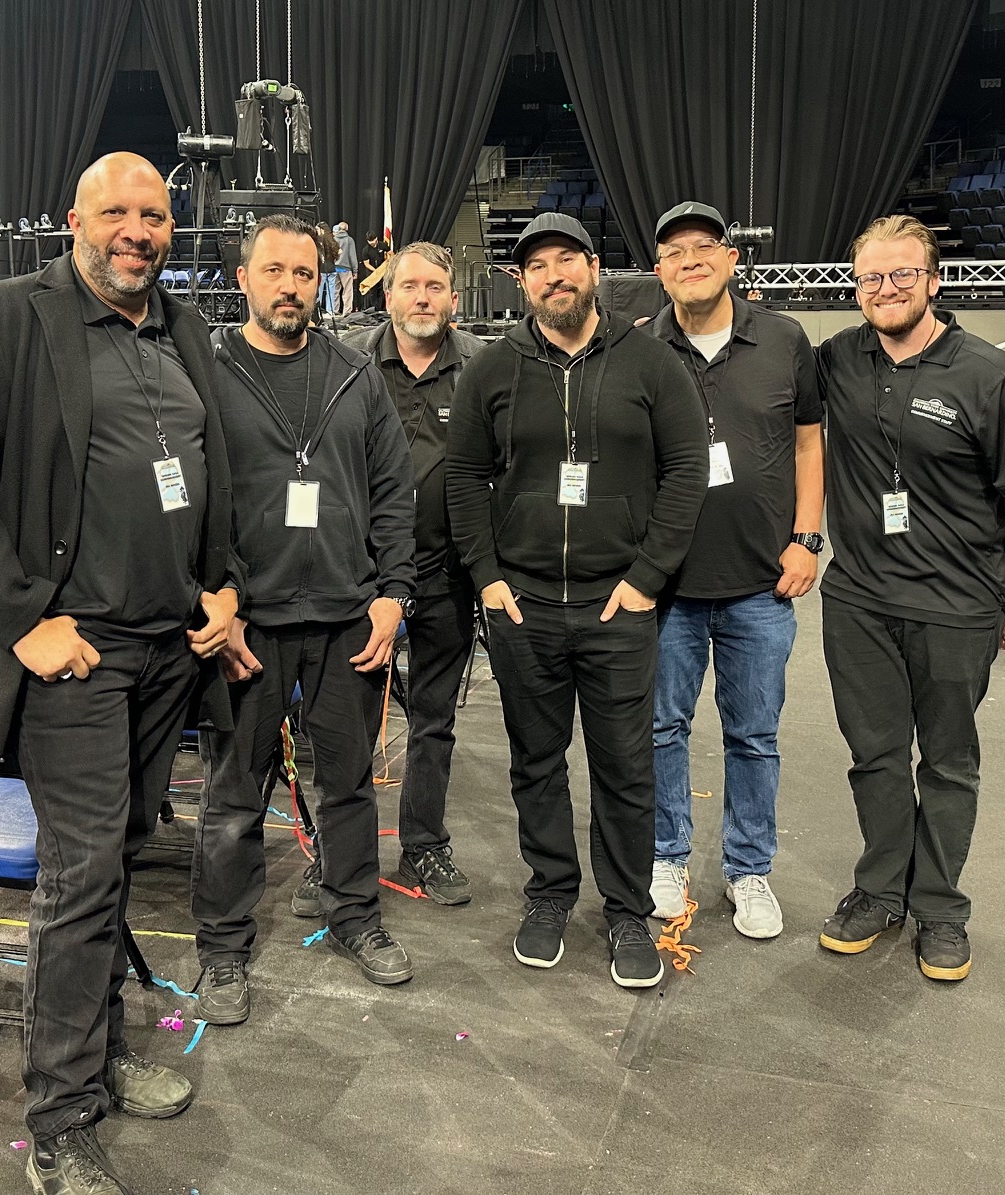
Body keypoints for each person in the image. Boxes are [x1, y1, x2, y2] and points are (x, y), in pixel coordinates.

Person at [0, 152, 240, 1195]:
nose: (138, 229)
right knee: (82, 870)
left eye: (155, 214)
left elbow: (207, 475)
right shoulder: (6, 317)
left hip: (165, 651)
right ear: (76, 220)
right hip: (77, 655)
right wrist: (25, 621)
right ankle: (58, 1117)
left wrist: (218, 585)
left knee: (121, 852)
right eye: (119, 212)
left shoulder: (182, 330)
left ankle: (96, 1056)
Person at [446, 212, 707, 990]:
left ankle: (626, 910)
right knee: (536, 761)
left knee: (626, 766)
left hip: (617, 607)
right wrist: (487, 578)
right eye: (537, 266)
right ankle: (551, 892)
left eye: (567, 260)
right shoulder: (492, 369)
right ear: (520, 282)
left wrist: (646, 578)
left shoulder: (651, 363)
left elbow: (685, 472)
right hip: (523, 605)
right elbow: (463, 476)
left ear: (593, 268)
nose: (554, 275)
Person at [815, 215, 1005, 982]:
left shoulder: (992, 377)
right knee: (875, 757)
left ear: (931, 279)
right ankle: (879, 891)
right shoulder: (833, 361)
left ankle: (942, 910)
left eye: (900, 275)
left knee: (949, 762)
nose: (884, 290)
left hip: (956, 606)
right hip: (857, 601)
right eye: (868, 279)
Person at [191, 213, 418, 1021]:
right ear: (244, 278)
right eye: (275, 270)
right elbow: (190, 507)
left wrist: (393, 595)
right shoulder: (208, 375)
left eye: (304, 272)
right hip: (246, 631)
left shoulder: (356, 375)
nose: (291, 285)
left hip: (346, 621)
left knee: (349, 785)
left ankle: (355, 914)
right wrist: (216, 606)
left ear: (323, 280)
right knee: (232, 798)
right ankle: (222, 951)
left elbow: (394, 493)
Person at [645, 202, 825, 939]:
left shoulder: (784, 339)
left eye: (703, 247)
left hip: (760, 583)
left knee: (753, 735)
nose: (689, 260)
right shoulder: (641, 349)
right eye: (673, 252)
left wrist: (807, 537)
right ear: (658, 271)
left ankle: (748, 871)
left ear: (730, 259)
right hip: (668, 589)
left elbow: (810, 444)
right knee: (660, 728)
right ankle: (665, 856)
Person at [343, 243, 484, 904]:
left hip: (448, 577)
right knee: (348, 724)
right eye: (410, 286)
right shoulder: (349, 363)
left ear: (453, 299)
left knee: (432, 721)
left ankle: (424, 847)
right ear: (387, 296)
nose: (422, 297)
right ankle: (339, 861)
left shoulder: (484, 366)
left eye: (435, 287)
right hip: (364, 582)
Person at [358, 230, 387, 312]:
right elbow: (366, 263)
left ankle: (380, 308)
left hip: (382, 271)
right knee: (372, 291)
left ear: (376, 238)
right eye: (369, 241)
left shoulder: (382, 245)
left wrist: (387, 262)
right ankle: (373, 308)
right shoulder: (365, 250)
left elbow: (391, 253)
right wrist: (375, 270)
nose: (372, 243)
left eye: (373, 240)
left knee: (382, 290)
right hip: (372, 272)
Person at [315, 221, 339, 317]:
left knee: (319, 291)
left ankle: (318, 312)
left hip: (322, 269)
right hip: (332, 268)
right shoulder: (332, 240)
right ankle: (330, 311)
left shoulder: (319, 240)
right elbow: (339, 251)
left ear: (321, 229)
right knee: (331, 291)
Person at [334, 220, 357, 315]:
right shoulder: (349, 240)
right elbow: (352, 255)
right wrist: (355, 270)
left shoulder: (334, 239)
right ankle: (346, 312)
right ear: (347, 229)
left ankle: (334, 311)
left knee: (335, 291)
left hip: (334, 268)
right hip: (345, 268)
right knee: (347, 291)